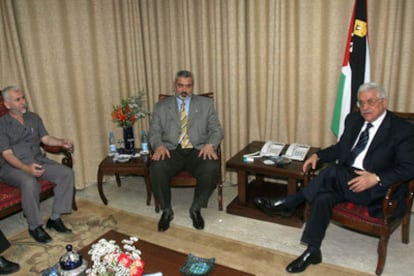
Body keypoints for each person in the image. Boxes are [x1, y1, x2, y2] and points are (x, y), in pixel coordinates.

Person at [255, 82, 414, 273]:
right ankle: (312, 250)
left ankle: (291, 202)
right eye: (361, 102)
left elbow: (409, 168)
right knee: (323, 197)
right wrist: (318, 155)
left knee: (331, 172)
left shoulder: (402, 130)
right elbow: (341, 149)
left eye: (370, 102)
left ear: (384, 102)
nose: (365, 107)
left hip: (377, 190)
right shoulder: (354, 120)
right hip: (346, 181)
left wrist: (376, 178)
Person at [149, 70, 223, 232]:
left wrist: (210, 144)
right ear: (174, 85)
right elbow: (154, 132)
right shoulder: (161, 106)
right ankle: (167, 210)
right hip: (171, 150)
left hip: (197, 149)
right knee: (156, 167)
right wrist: (158, 145)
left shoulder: (205, 104)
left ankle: (196, 208)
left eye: (188, 86)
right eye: (180, 85)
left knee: (211, 166)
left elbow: (216, 130)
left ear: (192, 86)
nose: (184, 90)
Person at [0, 86, 74, 244]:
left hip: (37, 159)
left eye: (23, 98)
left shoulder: (33, 117)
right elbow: (7, 154)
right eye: (17, 100)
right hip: (11, 166)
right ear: (7, 105)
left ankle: (55, 218)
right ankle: (34, 226)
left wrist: (62, 142)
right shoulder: (2, 124)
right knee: (29, 182)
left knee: (66, 173)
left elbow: (46, 139)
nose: (22, 102)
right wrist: (26, 169)